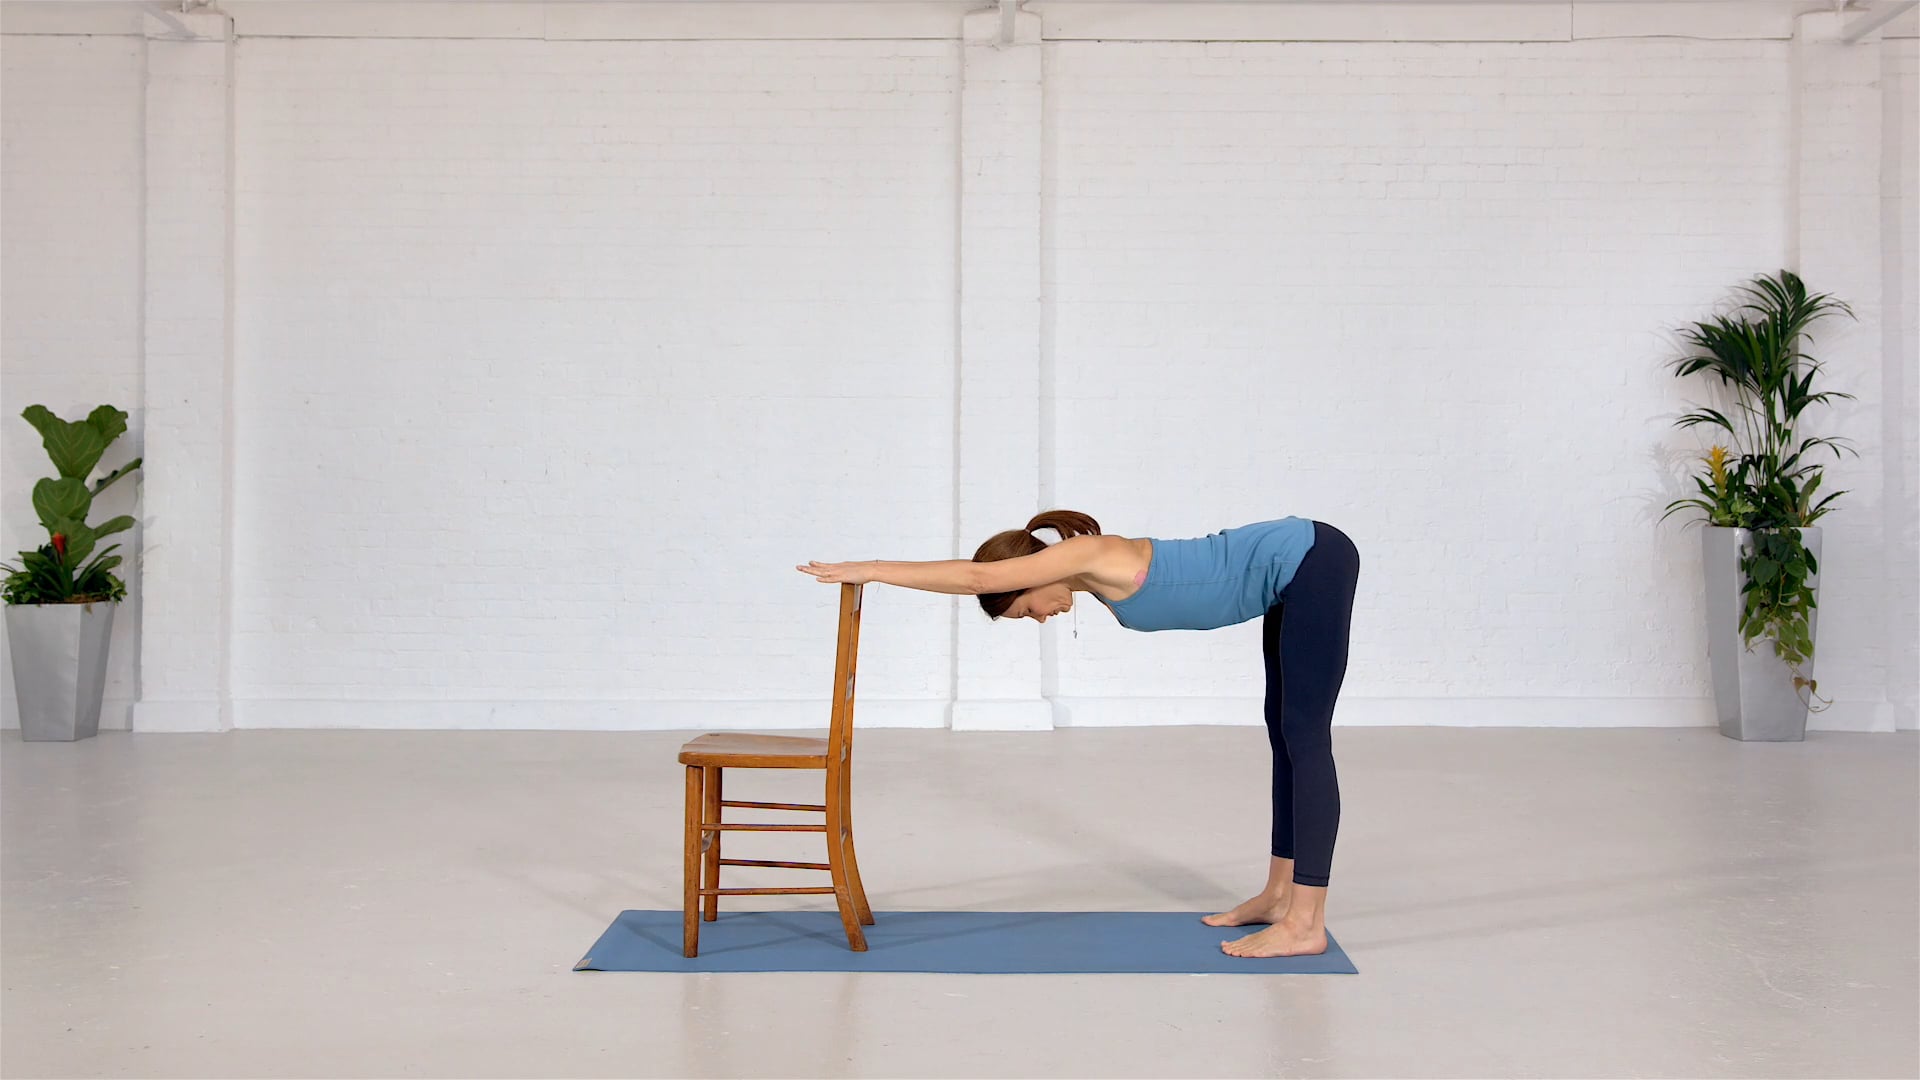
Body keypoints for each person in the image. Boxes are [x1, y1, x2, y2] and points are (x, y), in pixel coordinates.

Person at [797, 509, 1361, 958]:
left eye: (1024, 612)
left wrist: (870, 569)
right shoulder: (1093, 574)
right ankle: (1279, 895)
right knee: (1285, 733)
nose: (1040, 619)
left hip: (1312, 558)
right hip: (1291, 572)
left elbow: (978, 577)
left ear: (1029, 576)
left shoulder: (1088, 553)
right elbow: (991, 581)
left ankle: (1305, 923)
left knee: (1306, 740)